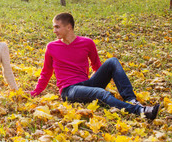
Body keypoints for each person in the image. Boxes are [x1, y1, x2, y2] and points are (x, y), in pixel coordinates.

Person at [30, 12, 160, 120]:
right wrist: (35, 92)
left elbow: (97, 65)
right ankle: (141, 111)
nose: (54, 31)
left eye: (57, 27)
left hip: (86, 83)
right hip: (69, 90)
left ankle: (131, 100)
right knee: (100, 93)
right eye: (54, 27)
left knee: (113, 61)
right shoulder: (52, 47)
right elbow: (46, 72)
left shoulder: (87, 43)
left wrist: (102, 79)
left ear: (69, 27)